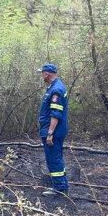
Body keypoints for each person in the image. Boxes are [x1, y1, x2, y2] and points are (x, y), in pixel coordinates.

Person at [37, 63, 69, 197]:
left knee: (53, 159)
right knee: (57, 158)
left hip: (53, 132)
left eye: (42, 73)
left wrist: (50, 133)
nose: (41, 75)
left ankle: (59, 189)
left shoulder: (56, 90)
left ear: (46, 73)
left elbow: (56, 113)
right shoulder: (55, 87)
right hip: (54, 131)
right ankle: (62, 185)